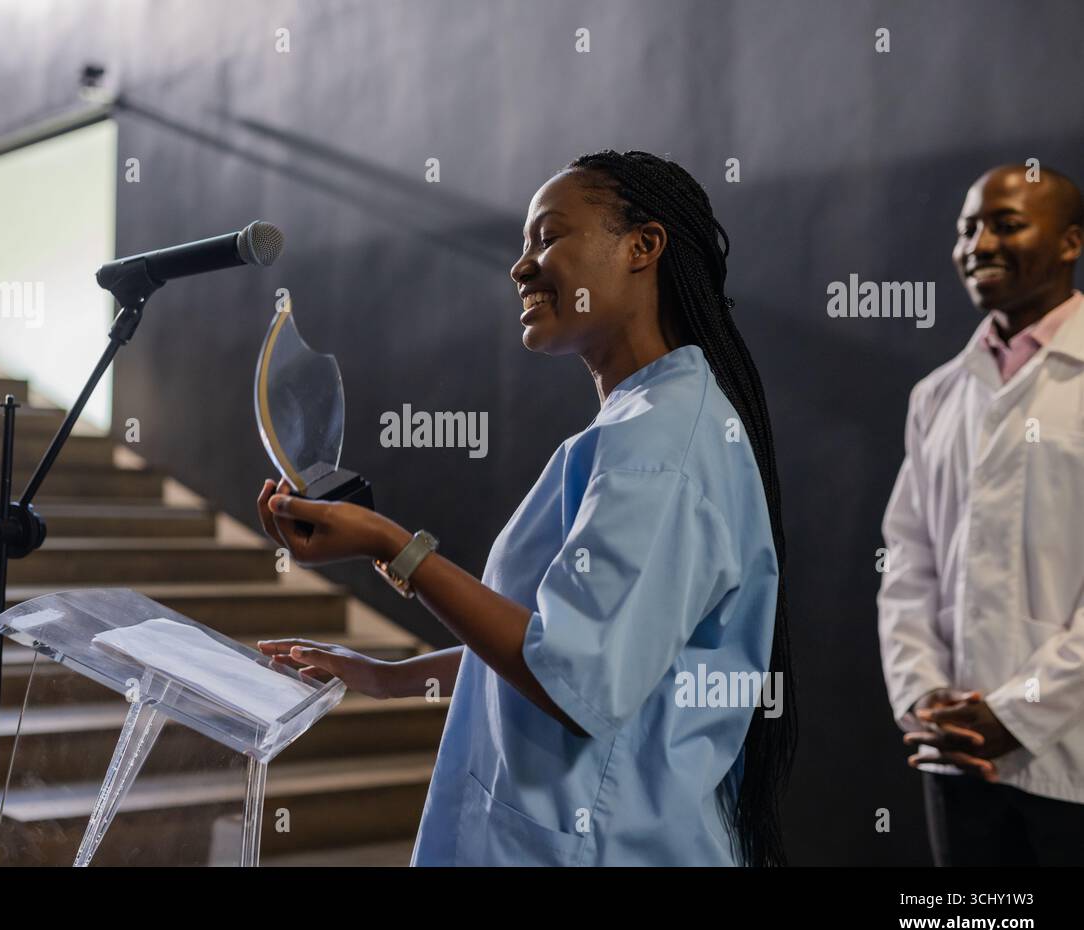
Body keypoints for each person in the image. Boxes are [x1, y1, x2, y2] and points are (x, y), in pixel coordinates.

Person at [256, 149, 796, 866]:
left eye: (547, 236)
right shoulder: (638, 425)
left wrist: (391, 545)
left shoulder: (663, 441)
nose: (520, 266)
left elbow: (572, 678)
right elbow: (562, 644)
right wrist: (388, 678)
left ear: (643, 246)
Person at [878, 163, 1084, 865]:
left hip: (1070, 758)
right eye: (968, 228)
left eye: (1007, 224)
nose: (980, 244)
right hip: (957, 754)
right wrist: (929, 695)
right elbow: (908, 558)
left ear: (1070, 242)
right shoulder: (936, 395)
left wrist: (1017, 710)